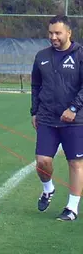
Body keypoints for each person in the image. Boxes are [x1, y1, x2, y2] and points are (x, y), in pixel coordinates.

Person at [31, 15, 83, 221]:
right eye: (51, 33)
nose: (53, 37)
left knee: (75, 163)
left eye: (58, 33)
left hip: (75, 120)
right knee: (42, 161)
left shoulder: (80, 55)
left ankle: (72, 208)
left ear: (69, 33)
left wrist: (73, 108)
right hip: (46, 118)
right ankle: (48, 189)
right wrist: (34, 112)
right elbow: (36, 86)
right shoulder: (41, 56)